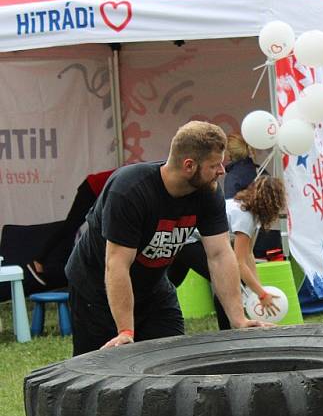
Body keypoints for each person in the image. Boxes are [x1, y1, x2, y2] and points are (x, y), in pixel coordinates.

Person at [65, 121, 266, 356]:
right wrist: (126, 331)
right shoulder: (130, 189)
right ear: (189, 165)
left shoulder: (208, 193)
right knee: (101, 369)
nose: (222, 171)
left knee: (174, 361)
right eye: (214, 165)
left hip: (153, 288)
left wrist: (238, 319)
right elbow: (117, 264)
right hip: (97, 288)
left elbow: (220, 254)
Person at [168, 175, 286, 329]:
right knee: (226, 280)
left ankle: (143, 310)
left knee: (166, 284)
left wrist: (258, 288)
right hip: (187, 240)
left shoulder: (246, 210)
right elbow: (239, 262)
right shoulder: (245, 217)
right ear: (272, 203)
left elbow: (249, 254)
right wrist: (262, 294)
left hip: (184, 238)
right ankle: (228, 331)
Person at [26, 168, 115, 287]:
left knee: (97, 231)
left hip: (103, 195)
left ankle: (66, 272)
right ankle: (38, 260)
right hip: (91, 188)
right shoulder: (139, 178)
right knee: (70, 227)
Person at [222, 133, 258, 199]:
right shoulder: (260, 169)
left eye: (224, 150)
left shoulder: (233, 177)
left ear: (230, 153)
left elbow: (231, 206)